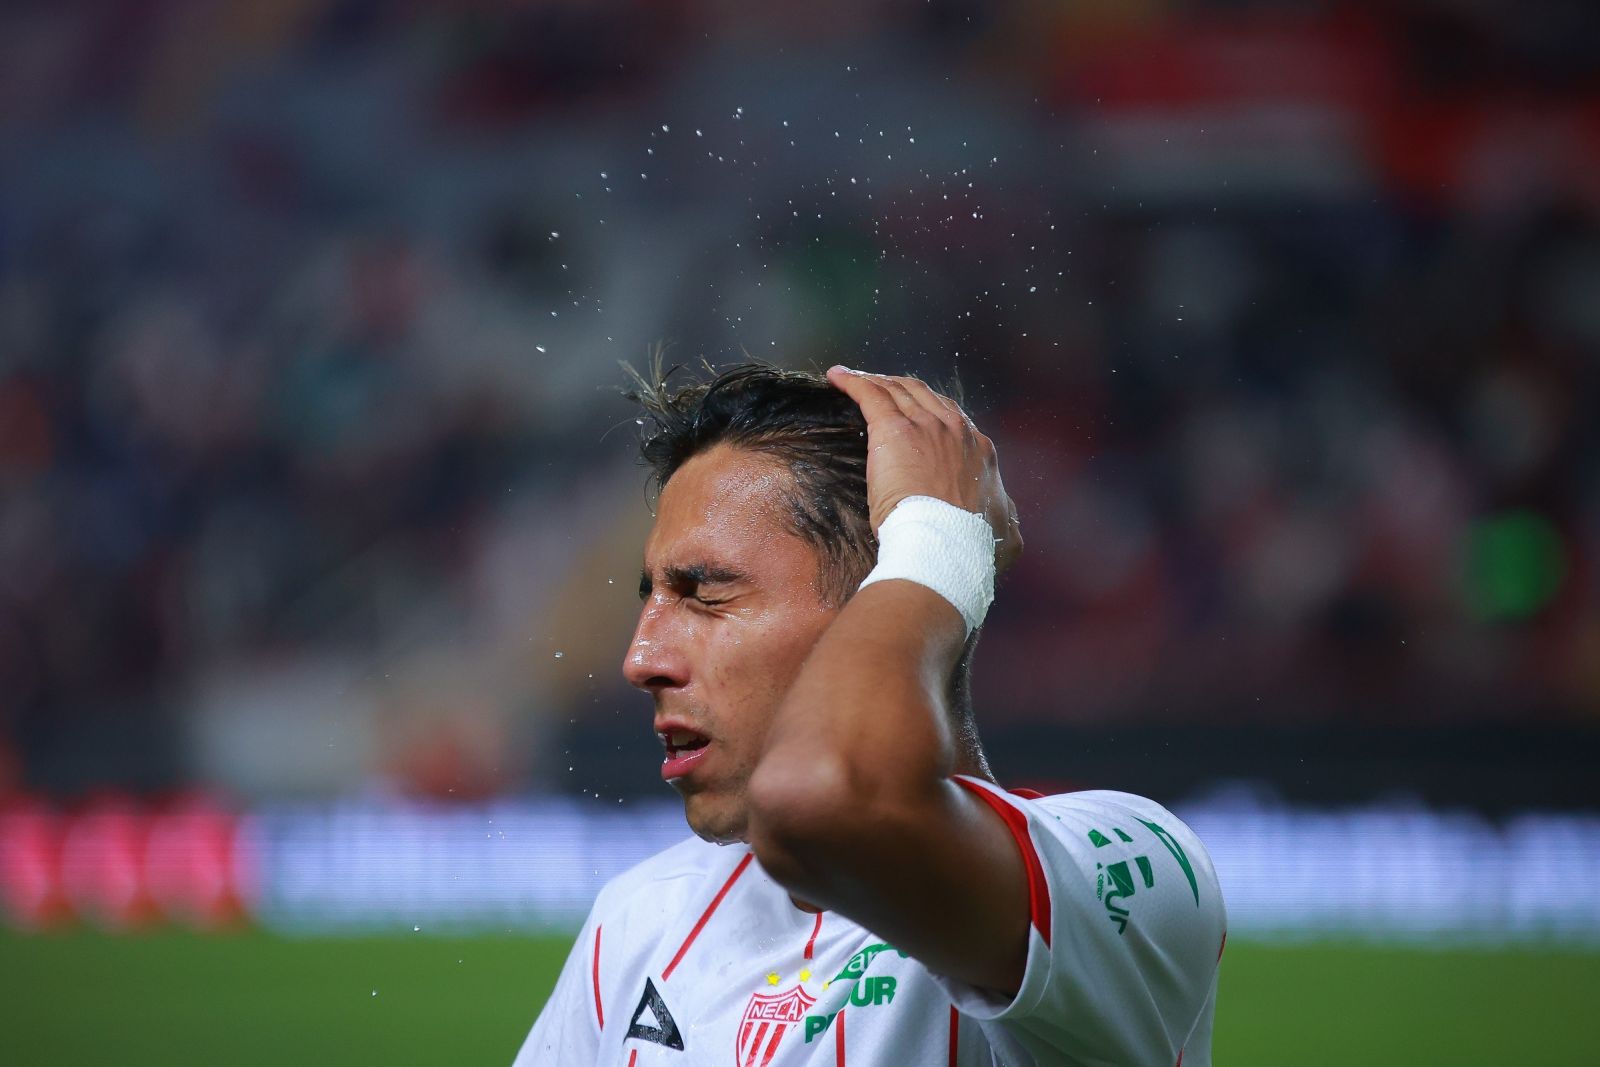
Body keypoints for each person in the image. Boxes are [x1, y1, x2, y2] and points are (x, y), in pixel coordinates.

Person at [514, 364, 1225, 1066]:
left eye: (704, 594)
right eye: (652, 597)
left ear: (881, 594)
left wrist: (939, 535)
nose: (641, 659)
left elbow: (822, 801)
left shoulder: (1128, 873)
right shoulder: (640, 919)